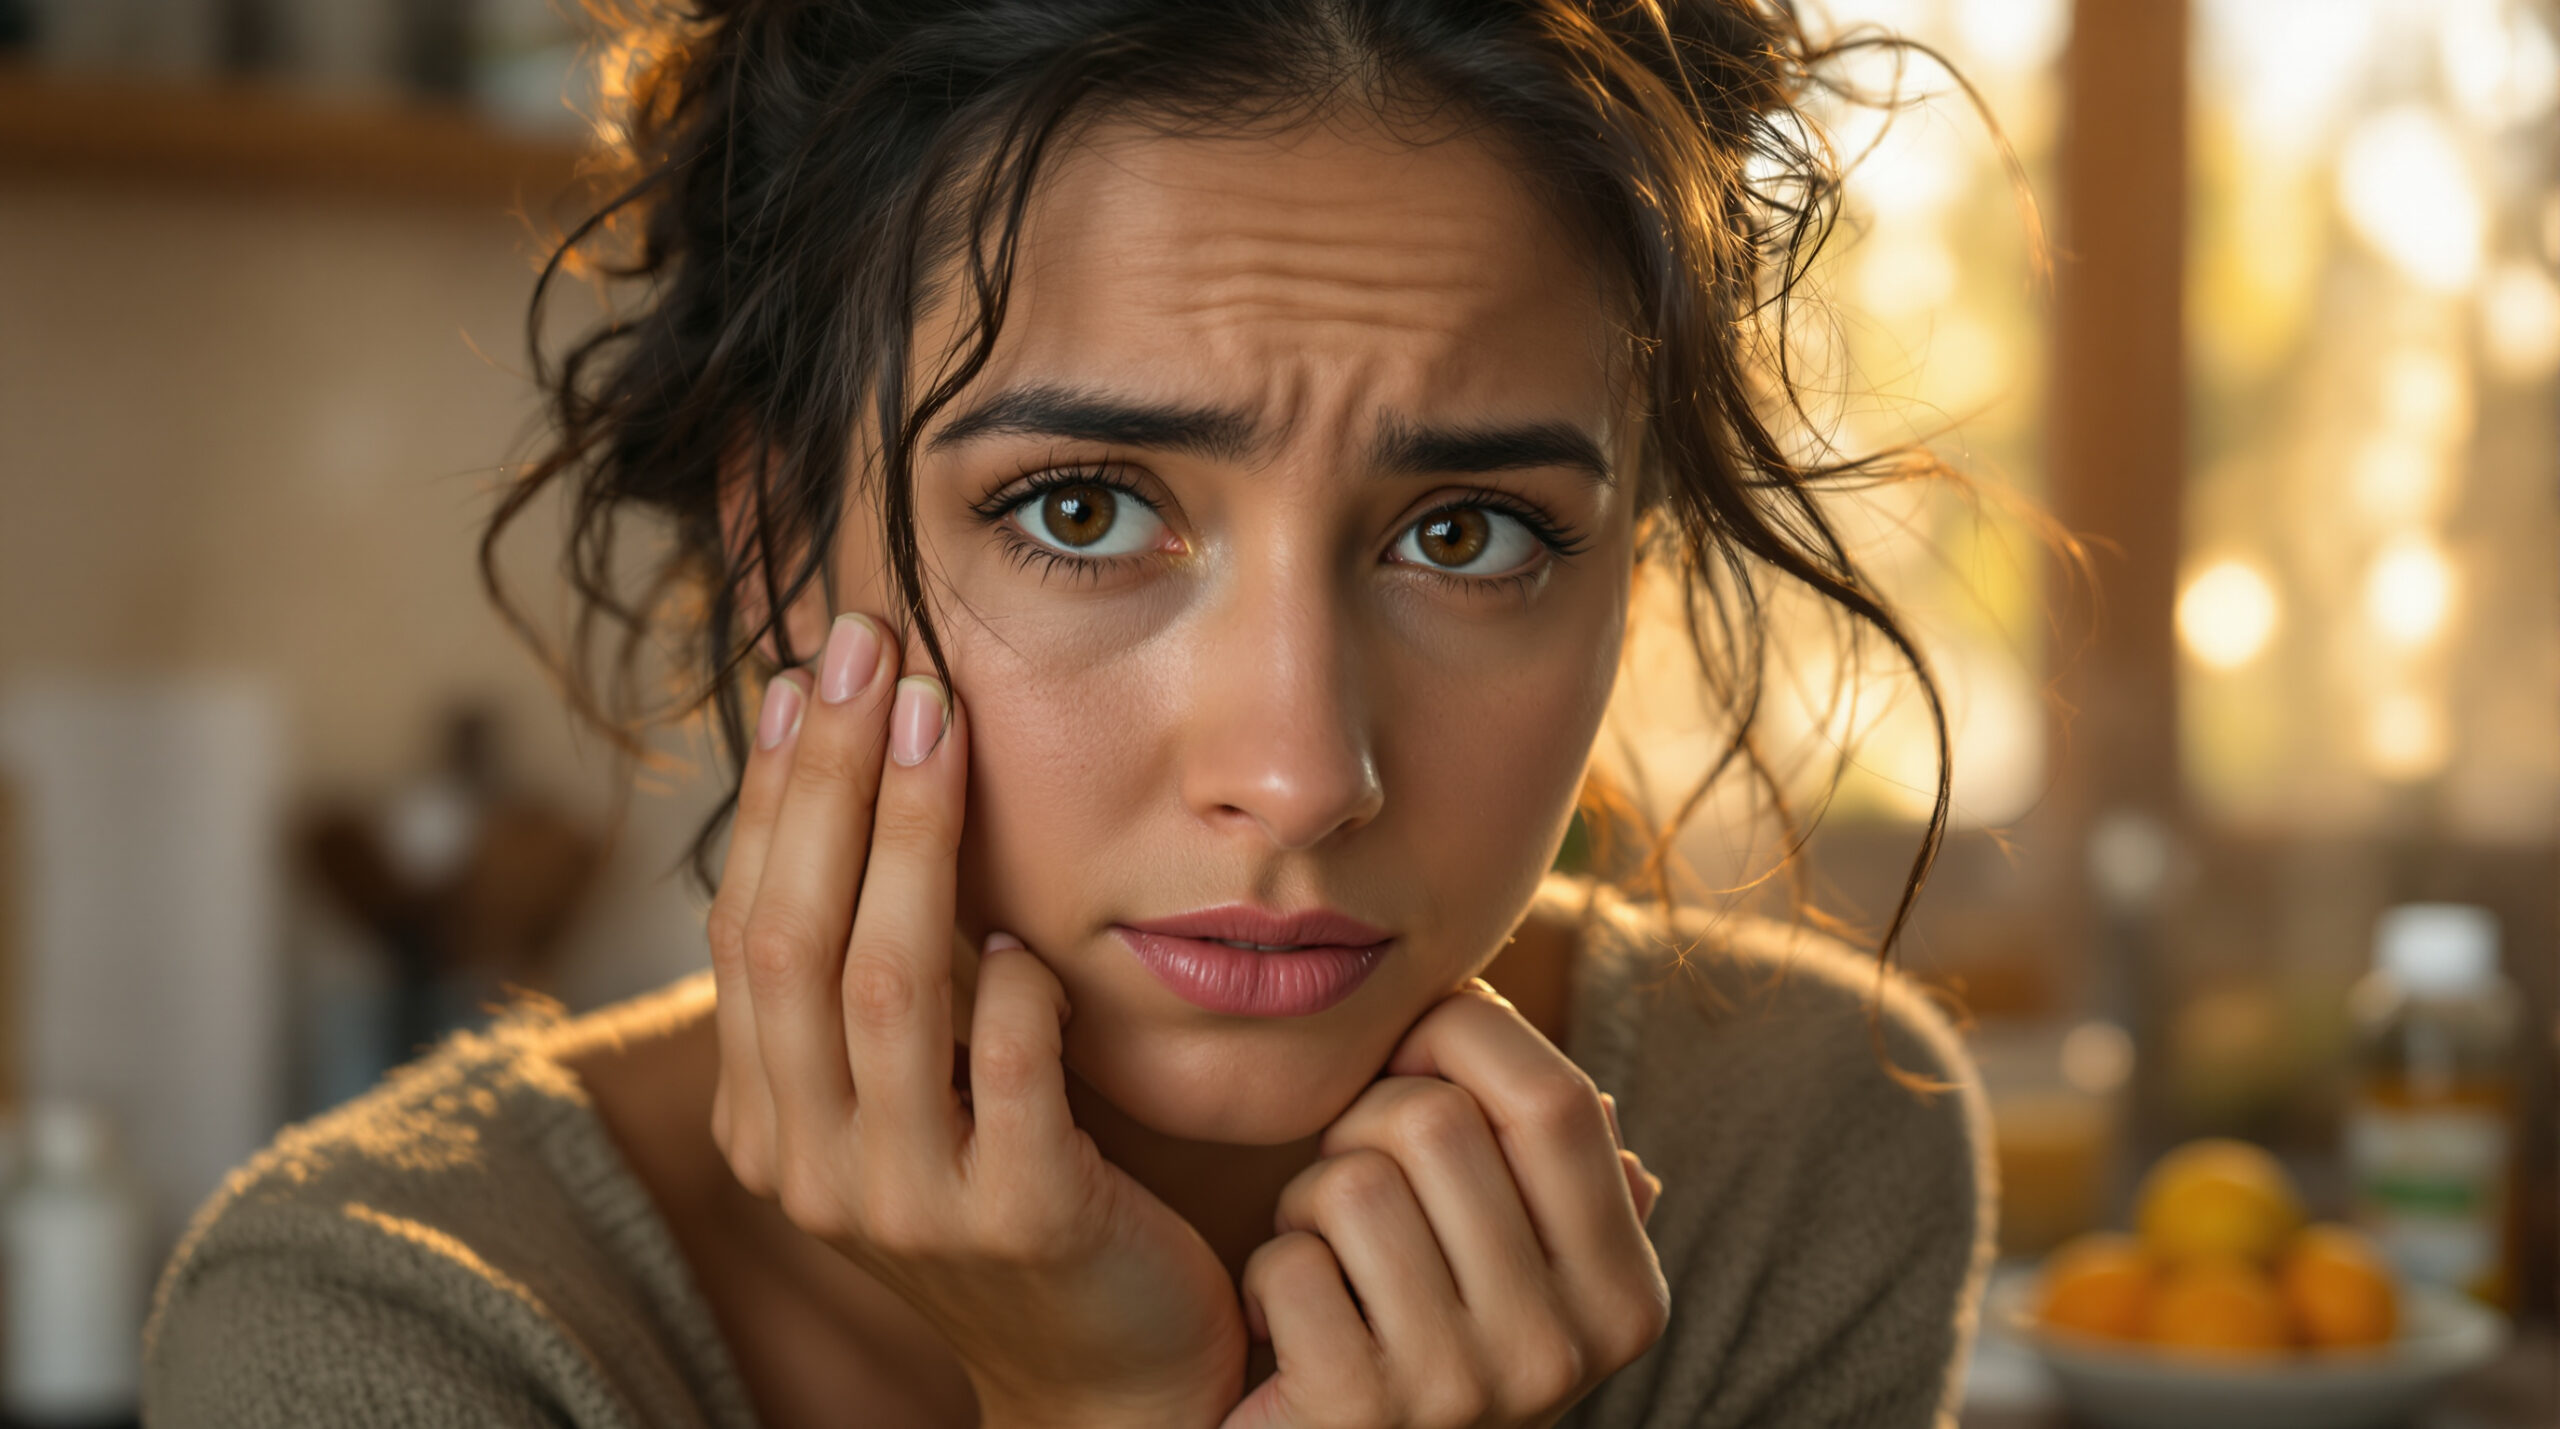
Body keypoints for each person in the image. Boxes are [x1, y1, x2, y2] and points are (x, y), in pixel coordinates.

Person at [144, 2, 1996, 1425]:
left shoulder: (1792, 1152)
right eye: (1085, 510)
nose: (1299, 772)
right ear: (777, 541)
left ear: (1631, 569)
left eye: (1466, 531)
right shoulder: (387, 1319)